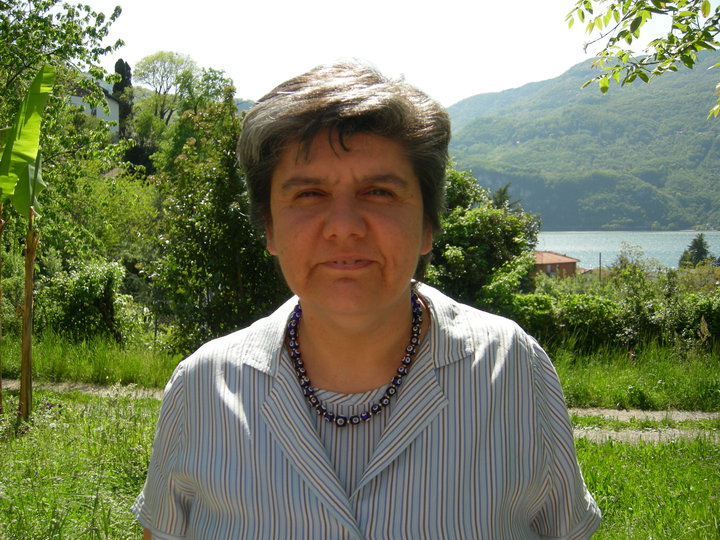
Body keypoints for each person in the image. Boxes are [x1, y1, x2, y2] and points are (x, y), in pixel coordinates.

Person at [133, 61, 601, 539]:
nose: (345, 226)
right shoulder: (203, 389)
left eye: (379, 192)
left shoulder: (512, 370)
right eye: (309, 193)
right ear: (269, 227)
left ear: (427, 225)